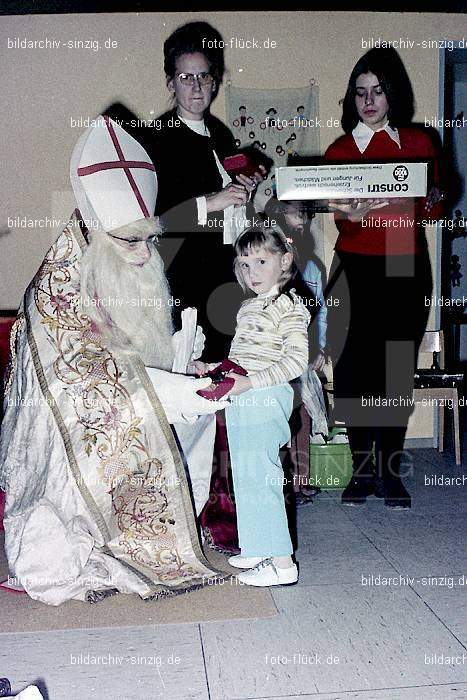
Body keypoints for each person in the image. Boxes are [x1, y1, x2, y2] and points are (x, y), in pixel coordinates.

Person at [0, 116, 229, 605]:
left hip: (131, 402)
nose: (146, 255)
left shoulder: (127, 261)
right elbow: (93, 387)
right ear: (96, 231)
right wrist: (177, 388)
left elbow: (144, 355)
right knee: (57, 555)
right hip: (64, 440)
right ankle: (100, 546)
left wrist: (187, 368)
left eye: (149, 239)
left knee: (194, 411)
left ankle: (159, 533)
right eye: (130, 241)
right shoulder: (57, 287)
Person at [325, 48, 443, 509]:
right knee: (353, 370)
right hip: (354, 263)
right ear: (352, 98)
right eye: (360, 93)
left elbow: (433, 208)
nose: (369, 101)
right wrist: (351, 215)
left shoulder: (418, 142)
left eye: (377, 91)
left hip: (402, 259)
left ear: (391, 95)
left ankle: (391, 472)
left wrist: (433, 197)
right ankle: (361, 471)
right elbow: (340, 222)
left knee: (394, 370)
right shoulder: (339, 150)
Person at [194, 227, 310, 586]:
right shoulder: (249, 306)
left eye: (262, 261)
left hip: (265, 395)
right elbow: (242, 358)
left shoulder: (287, 305)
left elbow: (297, 361)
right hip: (243, 394)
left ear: (285, 260)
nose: (252, 272)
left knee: (262, 476)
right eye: (244, 264)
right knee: (244, 475)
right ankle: (260, 547)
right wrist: (212, 368)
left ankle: (281, 563)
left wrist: (252, 383)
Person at [148, 21, 264, 360]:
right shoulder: (161, 137)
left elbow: (228, 196)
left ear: (214, 80)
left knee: (223, 375)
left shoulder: (220, 133)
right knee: (193, 376)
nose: (197, 86)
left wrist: (244, 190)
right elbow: (159, 221)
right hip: (183, 277)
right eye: (186, 77)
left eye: (204, 76)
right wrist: (213, 201)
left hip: (222, 273)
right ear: (171, 82)